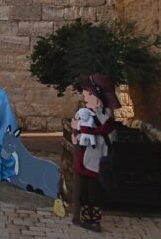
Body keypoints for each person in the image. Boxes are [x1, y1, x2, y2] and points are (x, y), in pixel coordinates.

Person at [70, 74, 120, 233]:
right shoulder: (87, 114)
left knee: (94, 194)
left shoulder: (106, 118)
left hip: (97, 161)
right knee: (84, 192)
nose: (86, 97)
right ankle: (85, 218)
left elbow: (101, 132)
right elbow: (79, 135)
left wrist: (81, 127)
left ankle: (94, 221)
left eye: (89, 94)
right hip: (86, 159)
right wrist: (76, 131)